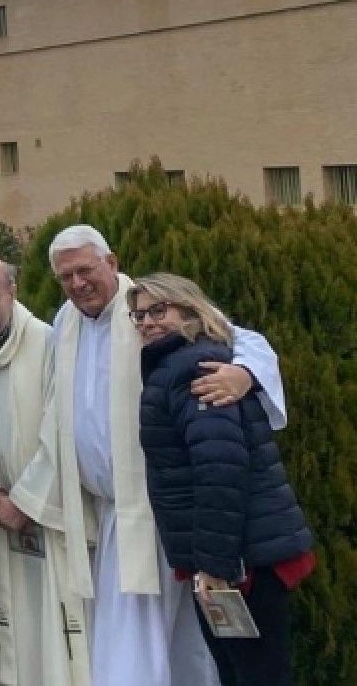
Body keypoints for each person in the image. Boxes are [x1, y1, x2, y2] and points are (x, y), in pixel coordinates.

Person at [11, 224, 288, 686]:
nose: (77, 283)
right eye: (65, 276)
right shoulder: (65, 322)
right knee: (158, 640)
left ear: (112, 263)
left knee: (149, 644)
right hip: (108, 513)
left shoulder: (148, 306)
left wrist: (243, 374)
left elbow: (238, 337)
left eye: (85, 270)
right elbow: (58, 414)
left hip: (156, 510)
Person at [129, 274, 314, 686]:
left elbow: (220, 470)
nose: (147, 322)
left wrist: (216, 567)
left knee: (256, 675)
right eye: (138, 315)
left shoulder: (194, 369)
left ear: (189, 309)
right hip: (237, 551)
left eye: (158, 310)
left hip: (243, 558)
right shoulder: (178, 363)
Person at [0, 256, 89, 686]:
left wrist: (24, 501)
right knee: (2, 632)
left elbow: (60, 428)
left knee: (52, 632)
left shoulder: (47, 343)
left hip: (44, 512)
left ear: (13, 291)